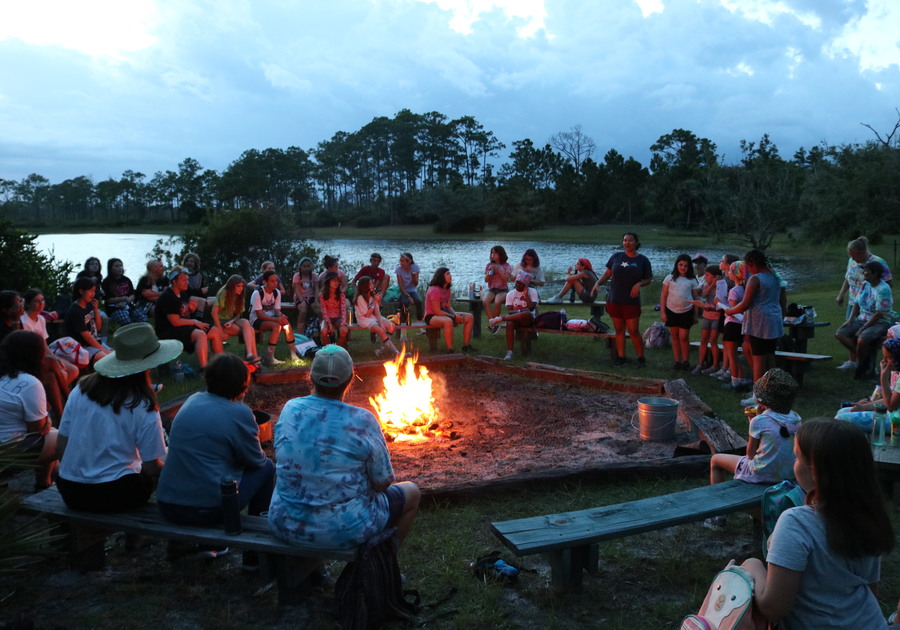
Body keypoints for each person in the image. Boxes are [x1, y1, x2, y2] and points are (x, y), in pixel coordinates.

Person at [741, 418, 894, 629]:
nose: (794, 464)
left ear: (813, 469)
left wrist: (753, 566)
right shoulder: (868, 517)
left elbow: (773, 609)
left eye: (796, 458)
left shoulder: (796, 523)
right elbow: (870, 591)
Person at [268, 345, 419, 552]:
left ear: (310, 377)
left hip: (285, 523)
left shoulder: (290, 409)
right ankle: (386, 563)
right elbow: (383, 482)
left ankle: (314, 573)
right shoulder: (363, 420)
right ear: (350, 379)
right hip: (344, 529)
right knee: (412, 492)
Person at [55, 323, 179, 512]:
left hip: (70, 489)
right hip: (114, 492)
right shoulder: (142, 403)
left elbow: (61, 445)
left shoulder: (81, 388)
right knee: (158, 467)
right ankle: (137, 537)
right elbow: (152, 468)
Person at [157, 354, 275, 533]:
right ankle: (257, 542)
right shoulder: (239, 413)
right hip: (207, 509)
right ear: (242, 385)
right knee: (267, 467)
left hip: (167, 503)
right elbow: (256, 461)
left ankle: (186, 546)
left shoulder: (192, 400)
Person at [709, 368, 801, 490]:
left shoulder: (760, 421)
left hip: (762, 473)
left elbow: (751, 454)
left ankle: (717, 499)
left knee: (715, 460)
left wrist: (754, 421)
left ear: (761, 399)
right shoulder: (796, 418)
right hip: (787, 473)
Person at [724, 249, 786, 406]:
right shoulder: (774, 277)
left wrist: (729, 310)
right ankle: (773, 391)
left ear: (752, 264)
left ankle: (757, 397)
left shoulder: (755, 279)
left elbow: (745, 303)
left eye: (748, 267)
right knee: (770, 357)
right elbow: (782, 298)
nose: (748, 270)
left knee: (758, 358)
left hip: (760, 322)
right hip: (774, 319)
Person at [0, 330, 59, 491]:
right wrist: (47, 419)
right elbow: (36, 431)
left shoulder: (4, 375)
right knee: (58, 437)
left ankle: (45, 480)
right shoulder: (29, 383)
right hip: (7, 452)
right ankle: (44, 483)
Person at [591, 233, 653, 367]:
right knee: (619, 329)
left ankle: (641, 358)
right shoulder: (616, 257)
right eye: (625, 240)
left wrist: (639, 284)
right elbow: (608, 273)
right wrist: (598, 283)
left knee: (633, 331)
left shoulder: (643, 260)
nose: (627, 243)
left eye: (630, 240)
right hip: (614, 299)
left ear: (636, 243)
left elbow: (648, 279)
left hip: (631, 301)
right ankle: (621, 357)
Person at [20, 289, 79, 419]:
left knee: (73, 370)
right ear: (28, 304)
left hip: (46, 355)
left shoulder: (41, 319)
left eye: (42, 301)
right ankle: (54, 402)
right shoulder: (23, 321)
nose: (41, 304)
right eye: (37, 301)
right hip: (34, 357)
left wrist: (54, 357)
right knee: (61, 374)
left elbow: (45, 343)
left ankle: (48, 401)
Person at [155, 267, 223, 371]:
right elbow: (175, 321)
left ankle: (222, 363)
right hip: (168, 331)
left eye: (187, 280)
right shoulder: (168, 297)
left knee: (214, 331)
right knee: (200, 334)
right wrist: (195, 322)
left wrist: (191, 309)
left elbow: (182, 313)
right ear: (174, 281)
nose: (187, 283)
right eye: (184, 280)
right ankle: (204, 370)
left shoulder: (182, 293)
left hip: (182, 327)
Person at [835, 260, 893, 379]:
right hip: (862, 318)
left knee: (862, 339)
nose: (864, 274)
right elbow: (856, 302)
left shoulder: (883, 289)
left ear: (875, 273)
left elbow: (879, 314)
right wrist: (850, 320)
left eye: (867, 272)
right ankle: (865, 363)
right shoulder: (865, 284)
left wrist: (863, 328)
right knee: (840, 333)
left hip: (879, 322)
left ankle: (862, 369)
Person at [251, 269, 301, 365]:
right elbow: (260, 315)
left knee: (287, 325)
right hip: (256, 320)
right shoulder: (257, 293)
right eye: (272, 281)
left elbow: (277, 310)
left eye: (276, 281)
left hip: (272, 317)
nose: (275, 283)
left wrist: (281, 316)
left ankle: (293, 354)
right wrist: (277, 319)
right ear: (265, 282)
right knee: (276, 326)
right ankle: (270, 357)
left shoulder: (276, 292)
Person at [836, 235, 893, 320]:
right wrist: (841, 294)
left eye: (854, 255)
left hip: (871, 305)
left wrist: (878, 298)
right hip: (853, 302)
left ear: (862, 252)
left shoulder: (878, 262)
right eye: (850, 255)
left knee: (867, 330)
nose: (852, 258)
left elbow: (888, 283)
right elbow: (848, 278)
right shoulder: (852, 261)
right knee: (849, 328)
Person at [659, 253, 698, 372]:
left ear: (689, 267)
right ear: (676, 265)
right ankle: (677, 361)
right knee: (675, 336)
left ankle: (686, 361)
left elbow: (695, 298)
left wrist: (696, 314)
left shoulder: (692, 280)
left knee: (684, 336)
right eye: (680, 265)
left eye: (686, 265)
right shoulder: (669, 278)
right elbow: (664, 296)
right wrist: (663, 312)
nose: (683, 268)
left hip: (687, 311)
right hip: (671, 310)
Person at [211, 275, 260, 366]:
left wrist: (232, 321)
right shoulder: (224, 293)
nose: (241, 288)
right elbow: (214, 313)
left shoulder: (239, 295)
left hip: (231, 321)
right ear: (232, 285)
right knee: (251, 330)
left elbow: (238, 314)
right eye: (238, 286)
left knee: (245, 322)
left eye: (242, 286)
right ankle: (255, 359)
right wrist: (221, 332)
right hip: (221, 323)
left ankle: (250, 355)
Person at [718, 261, 752, 392]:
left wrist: (720, 303)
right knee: (735, 354)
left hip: (731, 324)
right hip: (741, 325)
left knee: (732, 354)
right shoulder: (746, 289)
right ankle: (741, 378)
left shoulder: (734, 291)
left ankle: (735, 381)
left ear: (736, 274)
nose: (728, 273)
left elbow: (732, 311)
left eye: (731, 271)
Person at [489, 271, 538, 361]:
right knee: (510, 322)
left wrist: (526, 295)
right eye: (517, 282)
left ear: (525, 285)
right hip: (516, 319)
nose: (517, 285)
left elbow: (531, 308)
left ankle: (499, 319)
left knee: (526, 313)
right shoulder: (510, 294)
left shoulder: (532, 292)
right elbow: (510, 311)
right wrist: (521, 311)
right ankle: (510, 351)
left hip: (529, 320)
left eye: (520, 284)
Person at [425, 267, 476, 353]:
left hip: (445, 313)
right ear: (441, 276)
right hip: (432, 316)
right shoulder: (435, 290)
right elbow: (437, 311)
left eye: (450, 274)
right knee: (448, 321)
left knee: (470, 317)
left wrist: (455, 316)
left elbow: (448, 306)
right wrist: (453, 317)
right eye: (447, 274)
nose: (450, 276)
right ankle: (450, 350)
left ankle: (466, 345)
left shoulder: (447, 289)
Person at [64, 277, 111, 364]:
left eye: (94, 291)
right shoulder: (75, 311)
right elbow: (87, 338)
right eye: (90, 291)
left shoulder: (88, 305)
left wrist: (96, 310)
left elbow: (99, 327)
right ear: (81, 291)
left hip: (96, 342)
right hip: (82, 347)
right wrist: (104, 351)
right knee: (107, 360)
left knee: (115, 355)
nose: (93, 294)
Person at [354, 276, 399, 358]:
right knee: (380, 330)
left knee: (392, 326)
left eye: (372, 283)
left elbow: (377, 311)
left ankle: (381, 350)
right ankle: (396, 352)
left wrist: (381, 323)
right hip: (364, 318)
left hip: (372, 316)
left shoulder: (372, 295)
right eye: (370, 284)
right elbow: (366, 314)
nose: (373, 285)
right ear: (365, 286)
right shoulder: (360, 298)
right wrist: (375, 301)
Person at [694, 266, 726, 376]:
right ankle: (700, 364)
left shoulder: (721, 286)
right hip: (707, 316)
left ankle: (715, 365)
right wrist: (712, 284)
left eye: (707, 275)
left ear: (715, 276)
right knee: (703, 340)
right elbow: (704, 294)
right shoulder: (707, 285)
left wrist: (716, 283)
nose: (705, 277)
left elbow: (721, 303)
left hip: (716, 317)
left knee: (713, 341)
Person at [101, 258, 147, 326]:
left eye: (121, 265)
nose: (120, 268)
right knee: (127, 322)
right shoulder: (106, 282)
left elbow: (132, 294)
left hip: (128, 306)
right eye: (117, 266)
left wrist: (127, 300)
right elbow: (109, 300)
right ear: (110, 268)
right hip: (114, 309)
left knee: (143, 318)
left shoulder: (126, 279)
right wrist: (123, 298)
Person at [482, 245, 512, 330]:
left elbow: (506, 279)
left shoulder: (506, 265)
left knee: (497, 301)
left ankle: (494, 324)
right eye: (492, 253)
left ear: (500, 254)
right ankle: (492, 322)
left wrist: (498, 270)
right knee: (485, 301)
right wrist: (489, 273)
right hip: (492, 289)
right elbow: (486, 280)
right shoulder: (489, 265)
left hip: (503, 290)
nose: (493, 255)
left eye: (495, 253)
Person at [317, 271, 349, 349]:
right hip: (327, 317)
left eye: (337, 281)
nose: (336, 283)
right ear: (328, 282)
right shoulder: (322, 295)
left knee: (344, 330)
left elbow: (343, 310)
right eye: (334, 280)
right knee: (324, 331)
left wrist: (343, 323)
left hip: (338, 317)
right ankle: (327, 349)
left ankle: (337, 349)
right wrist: (329, 323)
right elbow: (324, 310)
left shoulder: (341, 295)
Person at [291, 256, 320, 334]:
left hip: (311, 297)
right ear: (300, 266)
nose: (306, 268)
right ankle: (300, 331)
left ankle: (322, 328)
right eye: (304, 266)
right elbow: (296, 289)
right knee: (303, 310)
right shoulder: (297, 276)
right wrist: (301, 300)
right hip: (300, 297)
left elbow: (317, 288)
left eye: (308, 266)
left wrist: (317, 300)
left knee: (319, 310)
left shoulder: (314, 275)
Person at [181, 252, 214, 317]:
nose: (189, 263)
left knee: (217, 299)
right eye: (187, 261)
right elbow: (186, 291)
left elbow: (201, 289)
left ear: (195, 264)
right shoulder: (182, 274)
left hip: (198, 296)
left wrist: (204, 292)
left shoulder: (199, 275)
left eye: (191, 261)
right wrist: (200, 291)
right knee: (201, 301)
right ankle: (198, 322)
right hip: (186, 297)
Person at [395, 252, 423, 323]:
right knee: (404, 302)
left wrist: (413, 275)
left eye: (403, 261)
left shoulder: (415, 267)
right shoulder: (399, 270)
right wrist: (408, 296)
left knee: (418, 301)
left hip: (412, 290)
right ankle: (404, 323)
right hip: (403, 290)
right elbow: (400, 285)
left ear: (409, 262)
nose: (401, 263)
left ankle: (419, 323)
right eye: (400, 261)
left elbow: (415, 284)